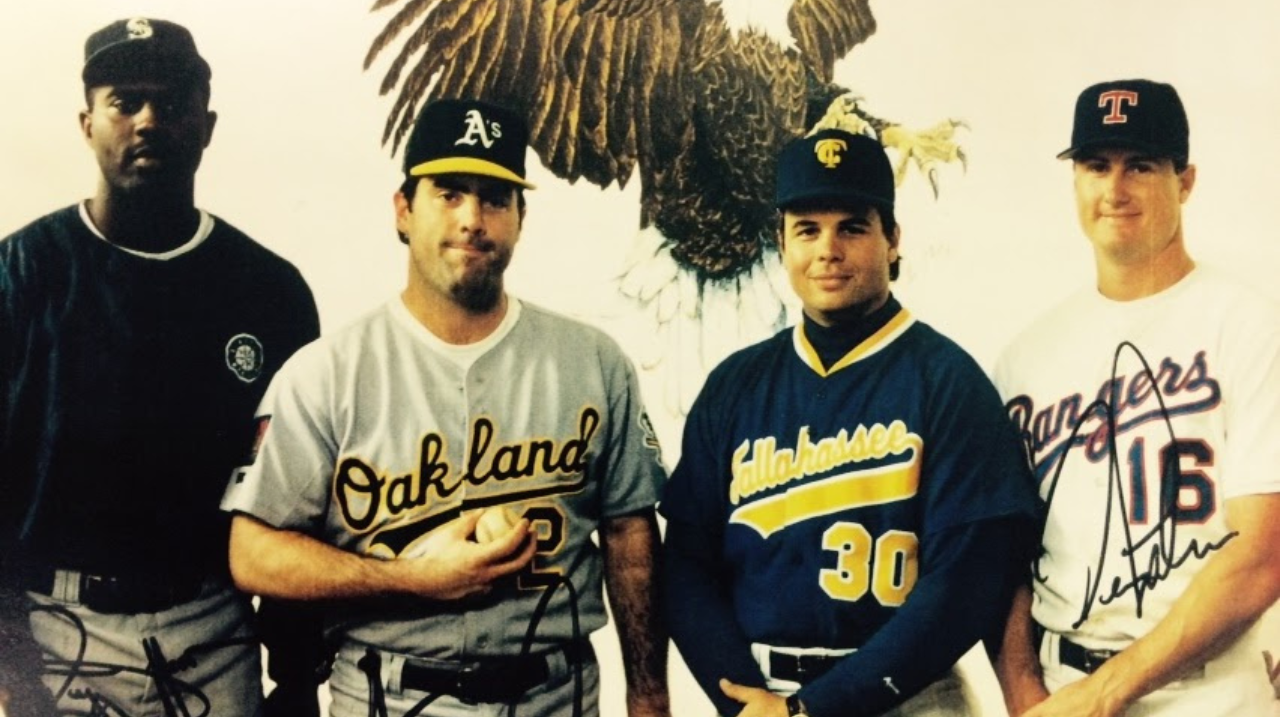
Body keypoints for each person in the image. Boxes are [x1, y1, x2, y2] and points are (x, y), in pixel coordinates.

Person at [221, 97, 671, 717]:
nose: (473, 219)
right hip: (391, 691)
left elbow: (629, 531)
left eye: (494, 197)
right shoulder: (326, 373)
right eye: (449, 193)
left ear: (519, 216)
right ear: (404, 210)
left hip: (556, 693)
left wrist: (649, 696)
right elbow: (252, 552)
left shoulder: (593, 361)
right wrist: (413, 579)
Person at [0, 16, 320, 716]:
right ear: (87, 122)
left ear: (204, 126)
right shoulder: (19, 275)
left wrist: (294, 677)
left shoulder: (269, 291)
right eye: (124, 101)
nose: (148, 121)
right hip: (59, 630)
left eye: (170, 104)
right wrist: (10, 666)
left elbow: (301, 499)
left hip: (212, 628)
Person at [660, 128, 1039, 717]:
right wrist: (741, 697)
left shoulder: (948, 381)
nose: (827, 249)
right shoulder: (736, 386)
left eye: (852, 227)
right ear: (781, 243)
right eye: (807, 229)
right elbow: (685, 561)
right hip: (761, 693)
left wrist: (815, 709)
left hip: (909, 698)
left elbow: (968, 581)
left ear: (892, 239)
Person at [992, 78, 1280, 717]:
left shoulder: (1251, 326)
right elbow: (1002, 556)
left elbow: (1263, 550)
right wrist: (1021, 694)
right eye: (1096, 166)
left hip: (1210, 691)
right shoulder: (1022, 360)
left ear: (1186, 181)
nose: (1115, 190)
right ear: (1075, 183)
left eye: (1141, 166)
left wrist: (1103, 694)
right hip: (1059, 689)